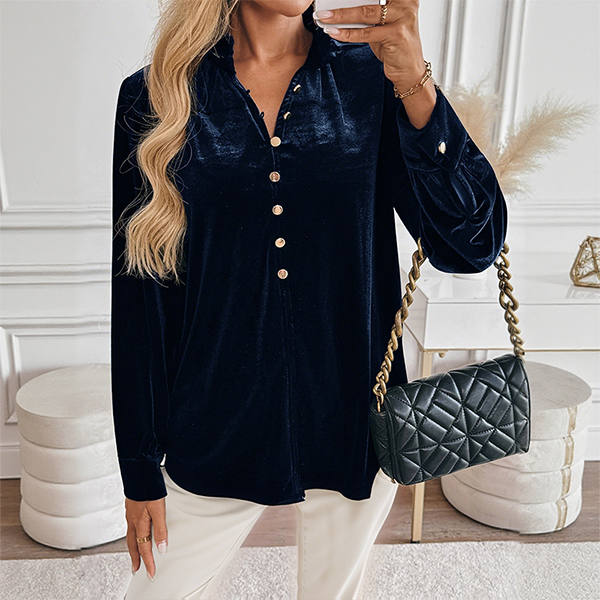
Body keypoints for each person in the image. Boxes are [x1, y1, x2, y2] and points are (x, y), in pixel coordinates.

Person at [110, 0, 507, 598]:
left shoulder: (372, 78)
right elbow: (139, 299)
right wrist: (139, 469)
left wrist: (416, 84)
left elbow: (470, 247)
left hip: (354, 423)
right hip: (214, 427)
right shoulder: (155, 96)